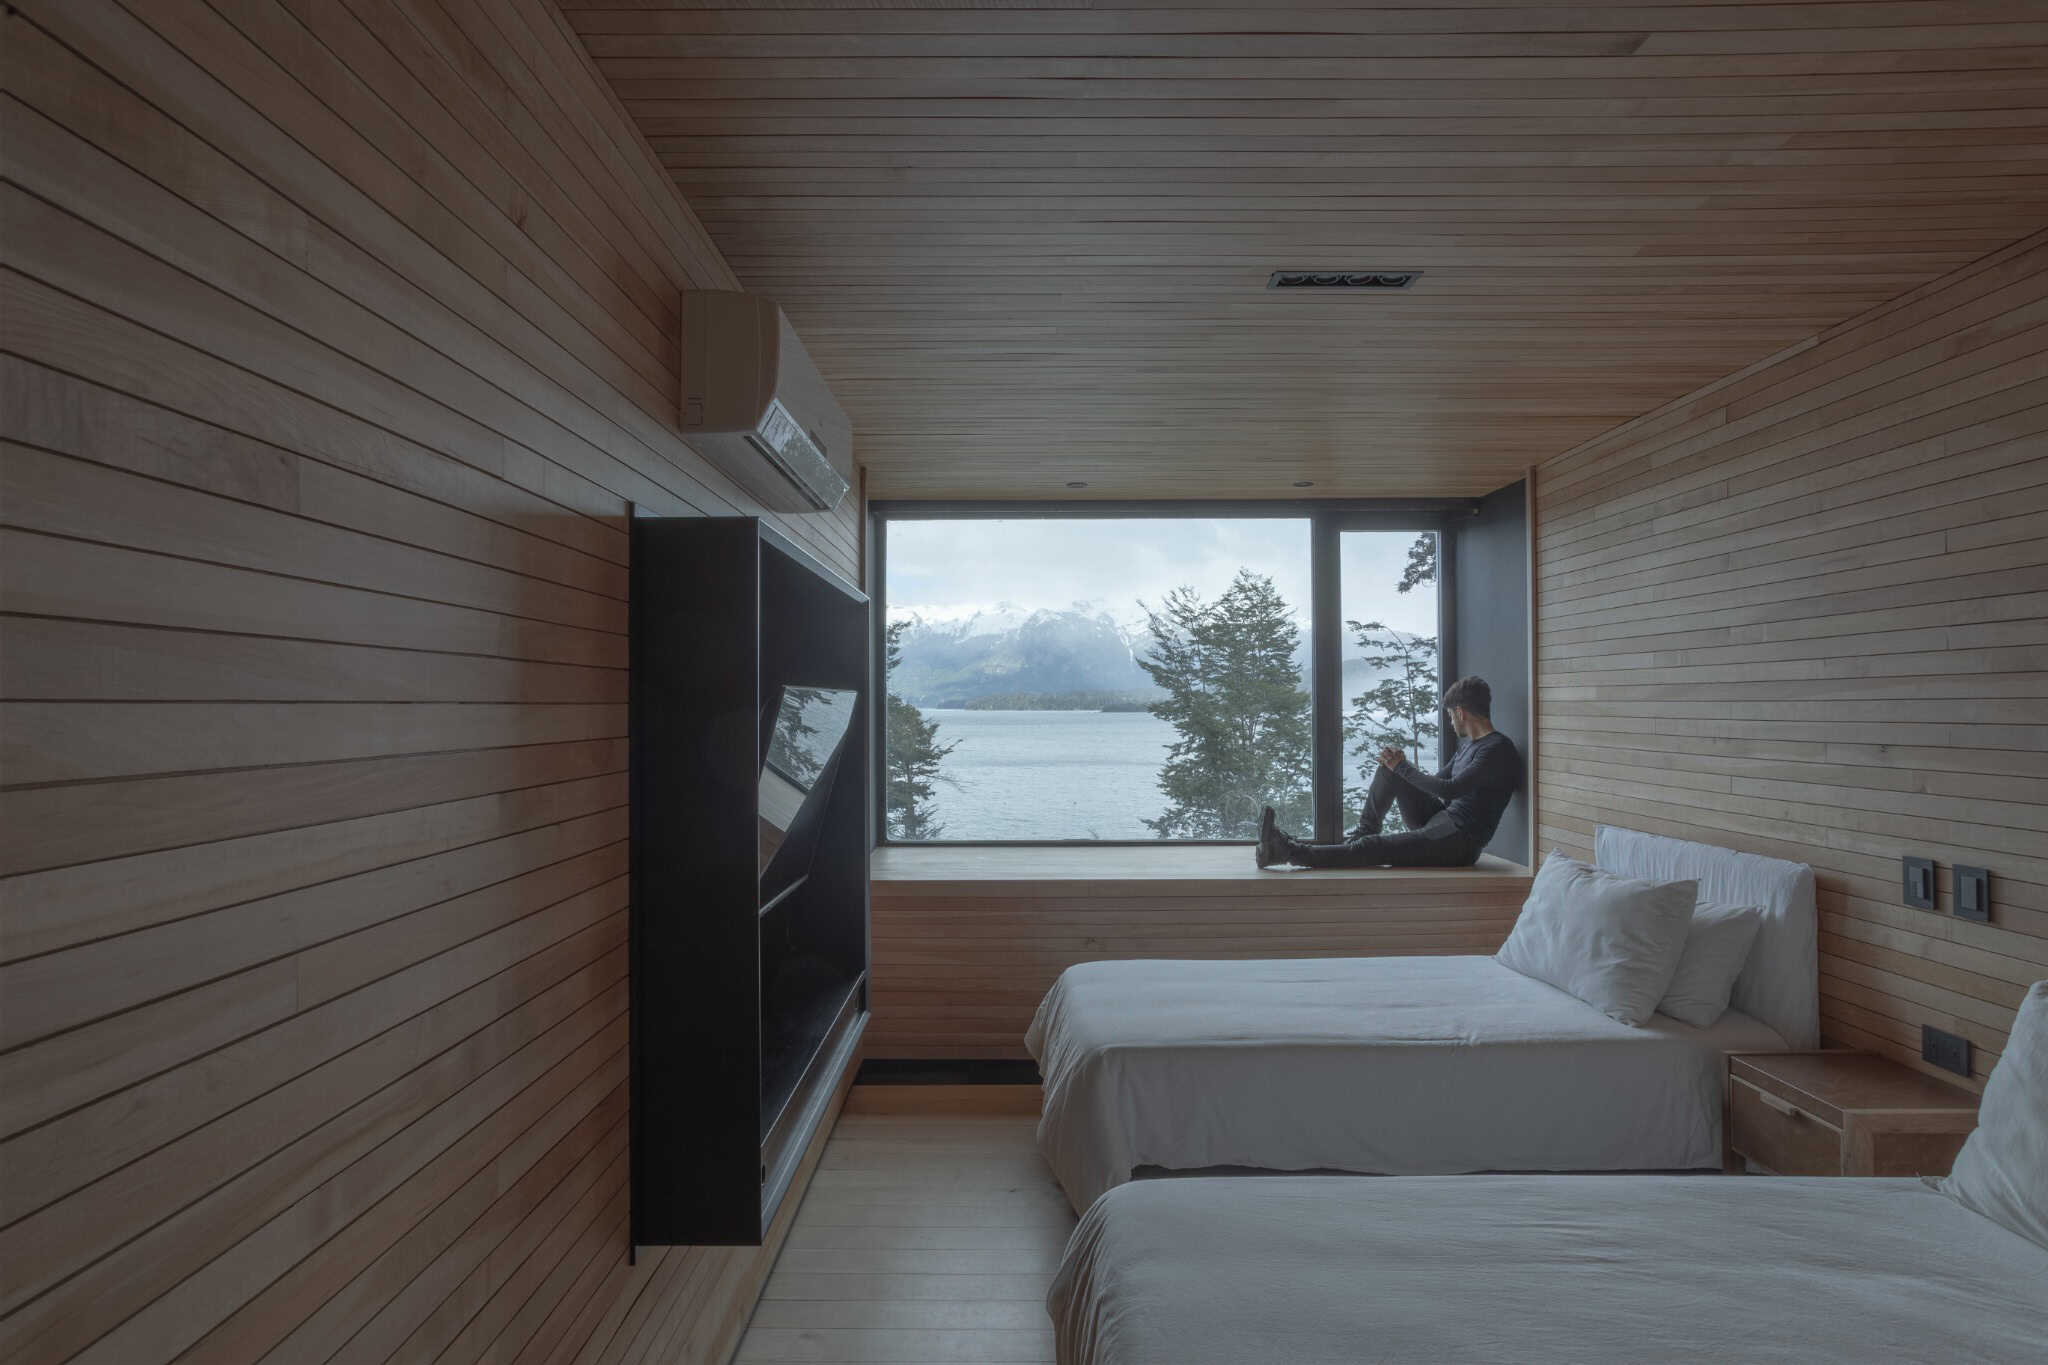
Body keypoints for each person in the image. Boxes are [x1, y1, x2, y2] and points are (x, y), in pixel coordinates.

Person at [1256, 675, 1521, 869]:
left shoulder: (1497, 749)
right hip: (1441, 822)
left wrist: (1403, 768)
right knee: (1389, 772)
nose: (1451, 722)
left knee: (1374, 847)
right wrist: (1399, 767)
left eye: (1450, 716)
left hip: (1459, 842)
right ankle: (1360, 835)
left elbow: (1451, 790)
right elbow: (1438, 782)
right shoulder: (1470, 746)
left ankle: (1288, 852)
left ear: (1460, 713)